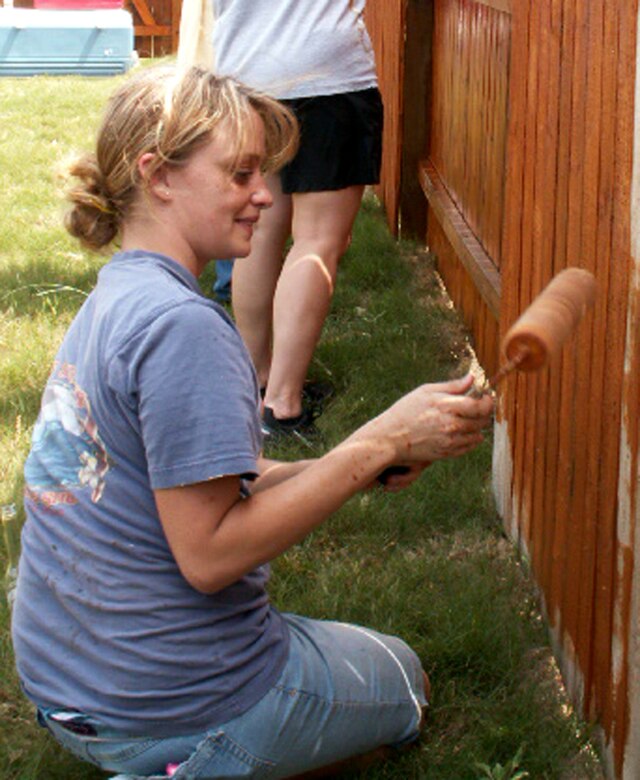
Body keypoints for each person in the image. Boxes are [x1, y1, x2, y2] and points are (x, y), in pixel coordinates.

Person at [11, 66, 494, 780]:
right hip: (167, 703)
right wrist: (380, 442)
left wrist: (351, 463)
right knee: (405, 682)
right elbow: (208, 556)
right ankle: (191, 763)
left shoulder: (118, 294)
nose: (264, 195)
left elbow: (190, 478)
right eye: (240, 174)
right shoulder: (186, 331)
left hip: (69, 690)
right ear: (158, 176)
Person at [208, 0, 384, 436]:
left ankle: (254, 383)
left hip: (246, 74)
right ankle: (282, 405)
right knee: (318, 240)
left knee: (259, 228)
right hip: (327, 73)